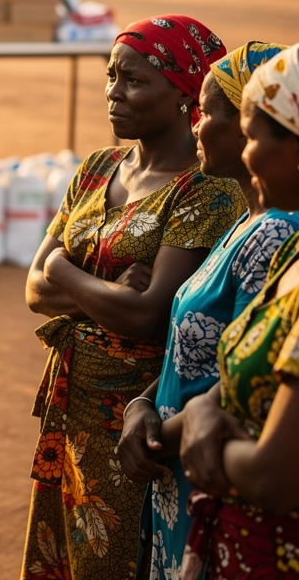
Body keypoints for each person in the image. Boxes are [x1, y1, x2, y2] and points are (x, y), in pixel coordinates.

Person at [21, 15, 246, 580]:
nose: (113, 92)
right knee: (65, 555)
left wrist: (63, 268)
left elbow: (146, 316)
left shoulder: (207, 188)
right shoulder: (97, 168)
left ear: (185, 94)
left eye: (135, 80)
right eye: (111, 76)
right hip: (72, 408)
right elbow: (33, 290)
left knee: (118, 557)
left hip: (136, 419)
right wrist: (103, 291)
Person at [114, 42, 299, 580]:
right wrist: (144, 404)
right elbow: (229, 354)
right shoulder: (248, 224)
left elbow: (269, 465)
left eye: (252, 133)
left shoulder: (276, 234)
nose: (197, 125)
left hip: (235, 503)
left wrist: (169, 431)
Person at [174, 43, 299, 580]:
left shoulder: (278, 237)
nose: (246, 156)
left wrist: (196, 439)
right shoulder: (293, 253)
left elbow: (275, 477)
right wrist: (201, 412)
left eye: (253, 137)